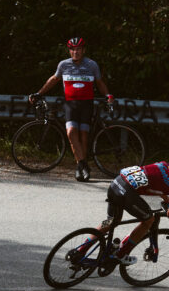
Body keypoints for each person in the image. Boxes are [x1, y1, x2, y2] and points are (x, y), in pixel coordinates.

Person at [80, 155, 169, 265]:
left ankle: (80, 252)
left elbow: (154, 180)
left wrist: (167, 199)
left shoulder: (165, 165)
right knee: (149, 220)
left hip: (117, 183)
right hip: (127, 193)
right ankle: (121, 255)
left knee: (110, 221)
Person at [31, 37, 113, 182]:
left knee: (83, 136)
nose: (76, 52)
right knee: (71, 132)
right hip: (70, 104)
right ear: (69, 51)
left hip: (87, 105)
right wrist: (39, 93)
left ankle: (81, 167)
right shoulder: (63, 65)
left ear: (84, 50)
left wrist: (107, 95)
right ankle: (82, 165)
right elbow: (54, 79)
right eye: (73, 49)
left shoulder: (92, 65)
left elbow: (99, 82)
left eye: (78, 49)